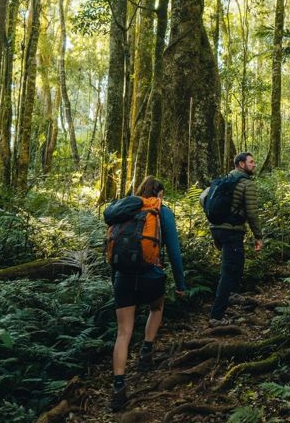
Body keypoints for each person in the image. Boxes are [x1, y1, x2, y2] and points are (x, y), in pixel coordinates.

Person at [107, 176, 185, 412]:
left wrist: (116, 280)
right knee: (157, 308)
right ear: (159, 193)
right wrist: (180, 283)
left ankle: (118, 386)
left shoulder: (123, 209)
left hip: (123, 277)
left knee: (123, 332)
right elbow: (173, 250)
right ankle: (146, 351)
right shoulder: (160, 211)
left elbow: (113, 246)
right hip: (151, 275)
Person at [206, 152, 263, 326]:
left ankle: (231, 297)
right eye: (251, 162)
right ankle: (216, 316)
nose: (254, 165)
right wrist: (258, 236)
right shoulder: (246, 184)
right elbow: (252, 213)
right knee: (229, 271)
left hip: (218, 230)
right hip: (231, 232)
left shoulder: (225, 180)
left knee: (237, 265)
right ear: (241, 164)